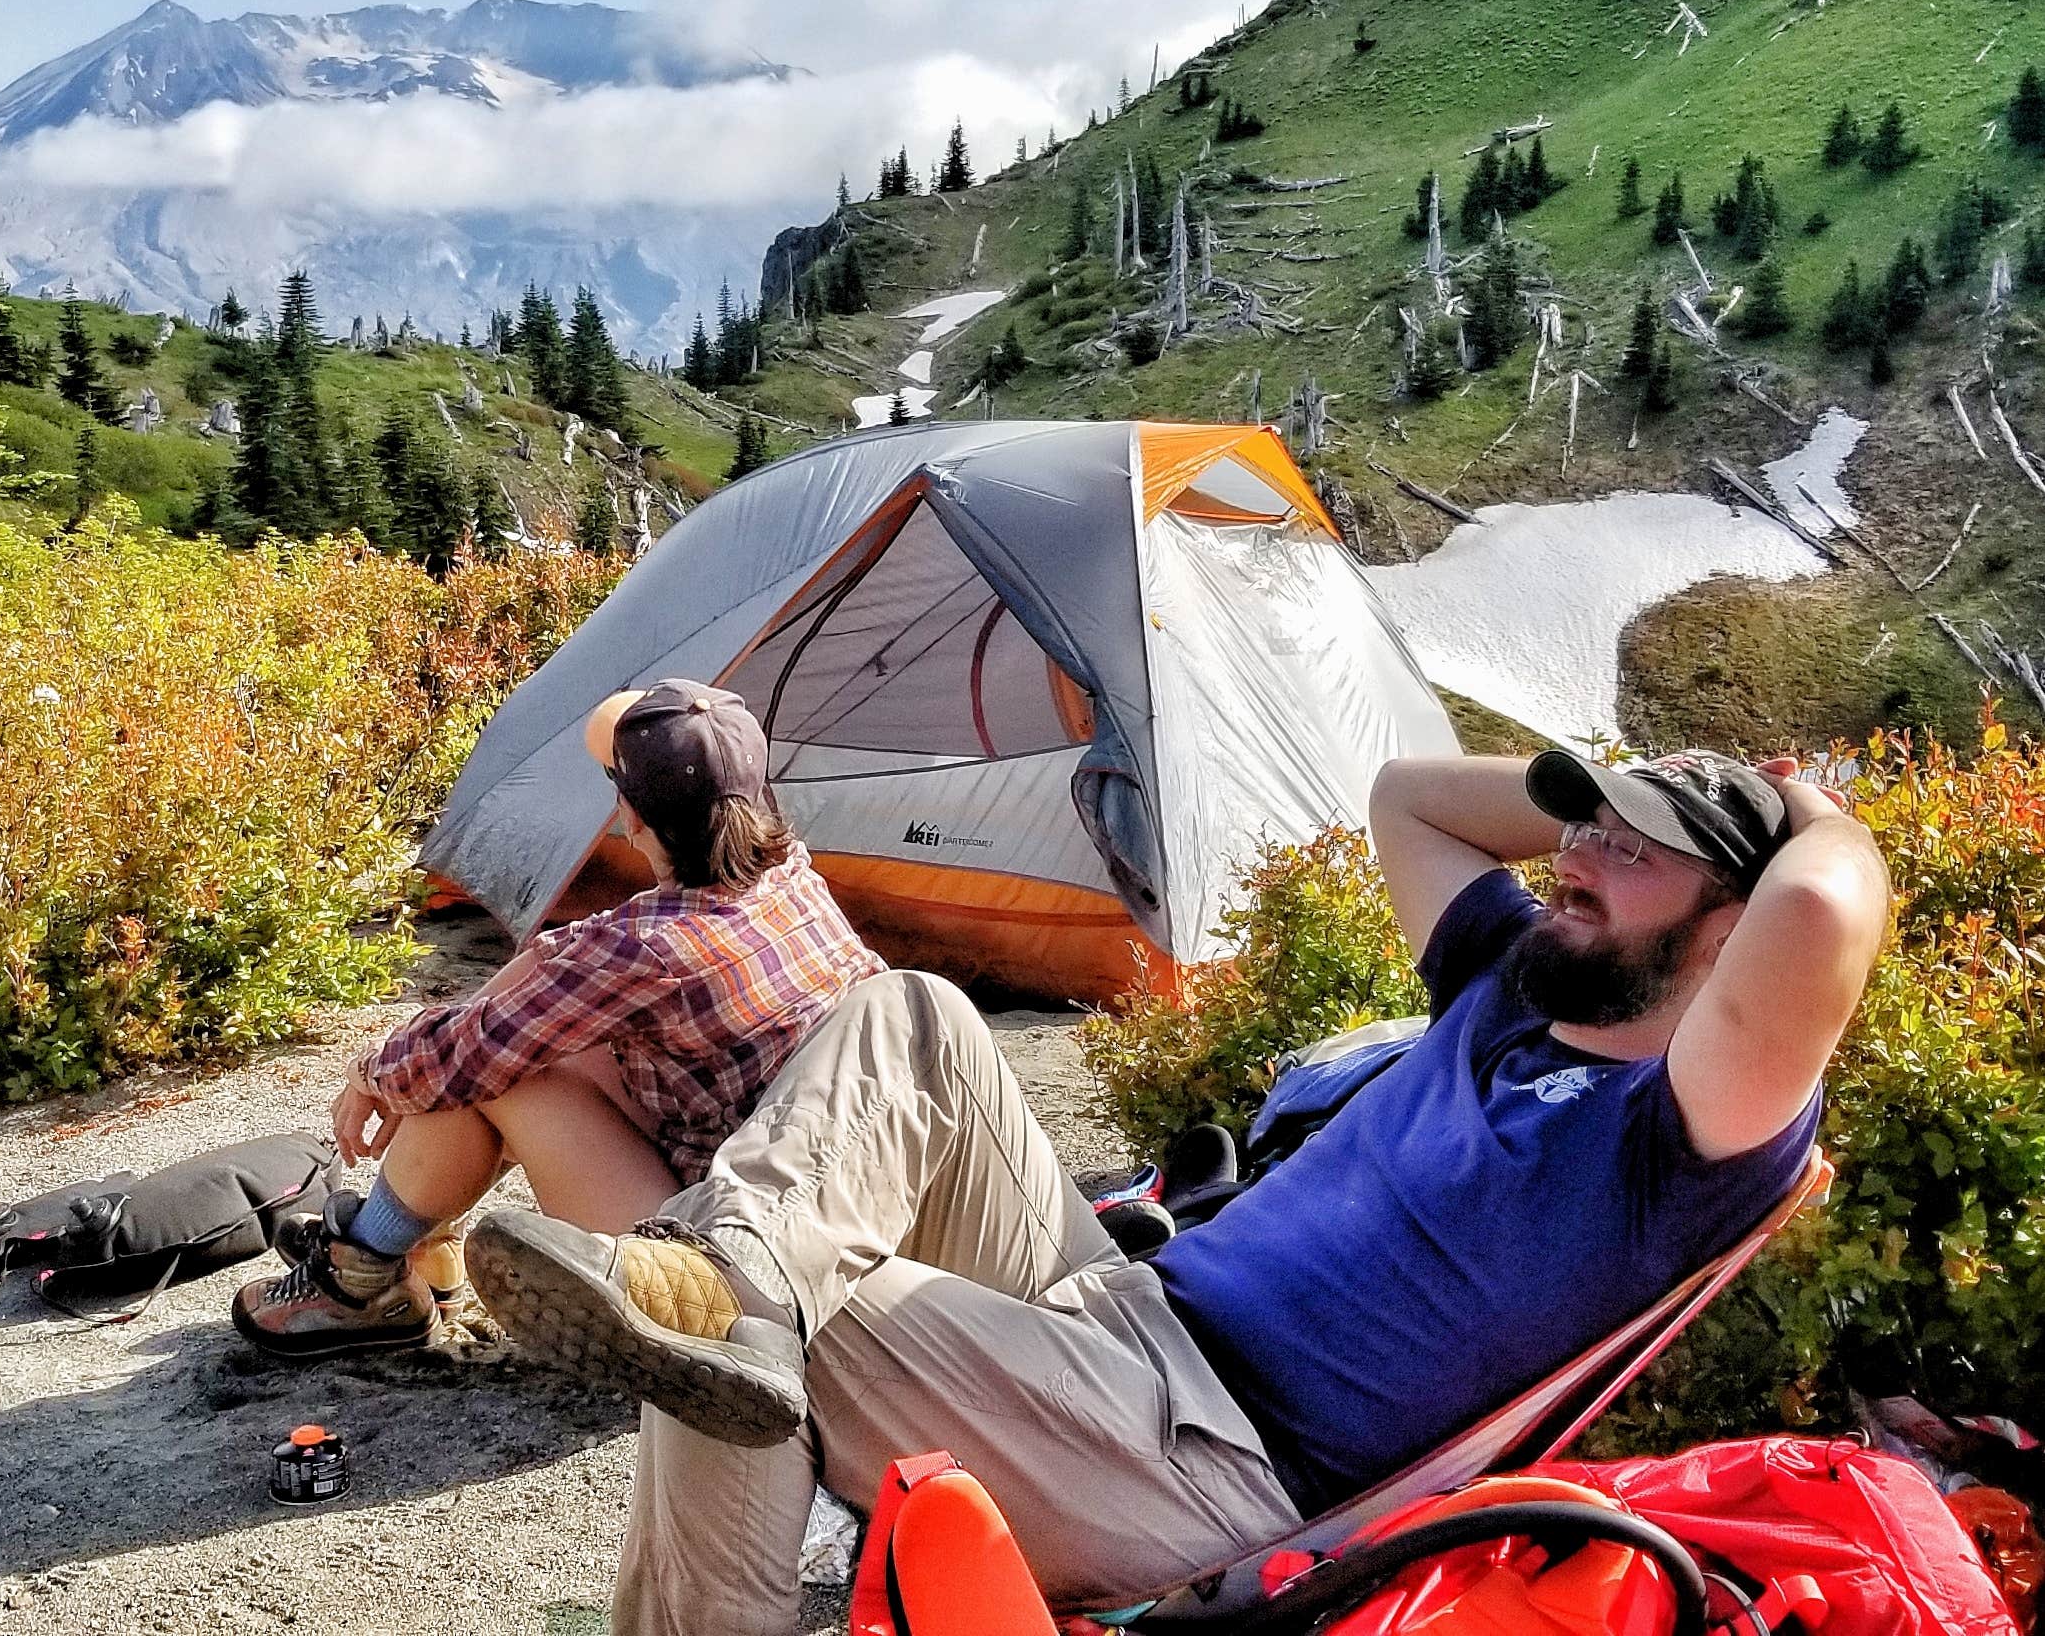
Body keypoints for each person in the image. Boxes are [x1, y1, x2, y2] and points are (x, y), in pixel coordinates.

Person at [466, 746, 1887, 1633]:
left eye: (1633, 851)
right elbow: (1406, 795)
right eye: (1581, 831)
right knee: (910, 1020)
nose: (1575, 857)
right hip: (1109, 1317)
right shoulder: (1509, 988)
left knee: (754, 1325)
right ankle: (738, 1278)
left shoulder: (1680, 1134)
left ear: (1729, 919)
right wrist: (1606, 793)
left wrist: (1804, 813)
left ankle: (734, 1305)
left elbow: (1821, 907)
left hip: (1204, 1463)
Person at [233, 680, 883, 1357]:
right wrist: (516, 981)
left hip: (715, 1271)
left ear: (630, 818)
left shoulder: (646, 950)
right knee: (538, 1046)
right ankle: (408, 1245)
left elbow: (464, 1057)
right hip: (816, 1211)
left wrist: (371, 1070)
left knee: (498, 1075)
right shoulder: (790, 873)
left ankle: (361, 1274)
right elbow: (569, 967)